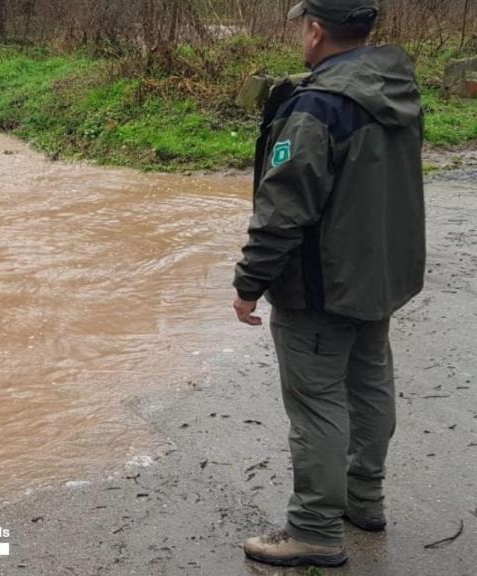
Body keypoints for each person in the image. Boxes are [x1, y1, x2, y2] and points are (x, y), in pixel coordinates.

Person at [232, 0, 426, 568]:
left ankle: (314, 528)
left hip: (322, 285)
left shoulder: (317, 106)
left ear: (315, 31)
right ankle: (364, 497)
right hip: (379, 277)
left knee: (317, 404)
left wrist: (250, 281)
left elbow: (284, 209)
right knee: (369, 385)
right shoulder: (398, 90)